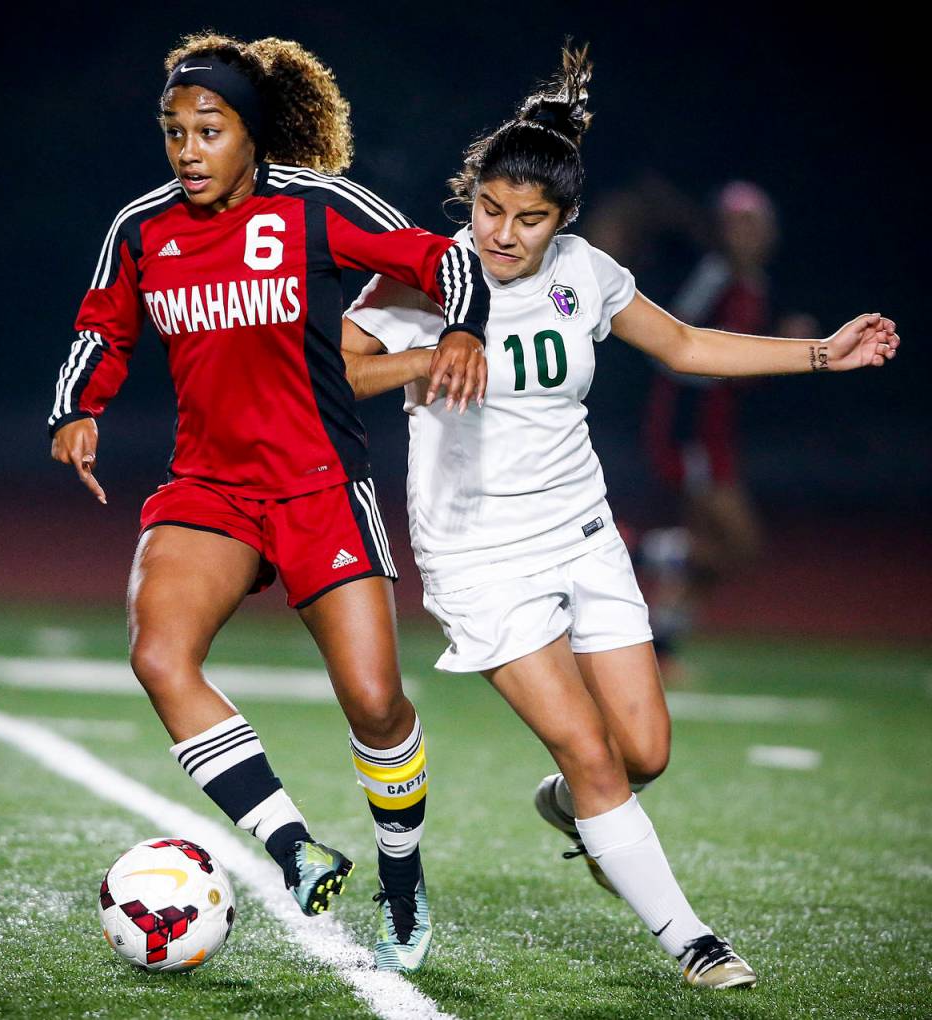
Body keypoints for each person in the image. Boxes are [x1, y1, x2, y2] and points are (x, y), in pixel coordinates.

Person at [341, 44, 899, 989]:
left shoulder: (585, 272)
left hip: (584, 535)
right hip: (480, 556)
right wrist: (426, 362)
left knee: (644, 752)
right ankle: (691, 940)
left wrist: (821, 357)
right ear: (468, 197)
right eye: (488, 210)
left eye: (528, 219)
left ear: (563, 221)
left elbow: (684, 343)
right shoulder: (424, 275)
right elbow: (347, 368)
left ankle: (576, 809)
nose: (502, 235)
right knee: (594, 752)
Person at [48, 31, 490, 973]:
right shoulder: (141, 228)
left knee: (375, 704)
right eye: (174, 132)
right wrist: (77, 409)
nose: (188, 150)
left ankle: (403, 881)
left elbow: (444, 259)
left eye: (208, 129)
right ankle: (294, 848)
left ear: (253, 133)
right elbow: (103, 325)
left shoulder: (315, 208)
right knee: (160, 656)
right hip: (209, 486)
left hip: (320, 485)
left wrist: (463, 330)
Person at [639, 181, 818, 669]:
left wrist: (779, 351)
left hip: (716, 433)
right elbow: (674, 347)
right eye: (737, 224)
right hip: (689, 430)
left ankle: (662, 644)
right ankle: (634, 551)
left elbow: (742, 371)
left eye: (755, 224)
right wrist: (757, 351)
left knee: (712, 547)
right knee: (737, 542)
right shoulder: (713, 276)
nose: (747, 235)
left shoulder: (756, 286)